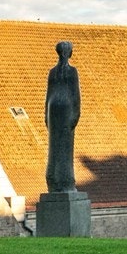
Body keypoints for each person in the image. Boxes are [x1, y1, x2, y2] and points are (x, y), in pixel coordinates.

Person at [45, 40, 82, 193]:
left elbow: (48, 95)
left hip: (53, 108)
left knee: (54, 147)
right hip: (66, 109)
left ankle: (52, 179)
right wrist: (76, 114)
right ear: (69, 53)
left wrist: (46, 115)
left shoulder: (52, 72)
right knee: (66, 148)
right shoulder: (72, 71)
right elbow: (75, 94)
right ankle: (67, 182)